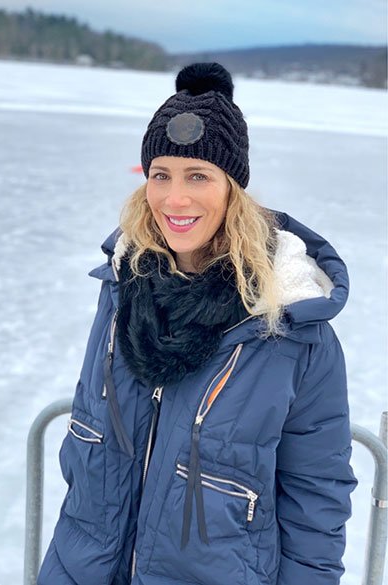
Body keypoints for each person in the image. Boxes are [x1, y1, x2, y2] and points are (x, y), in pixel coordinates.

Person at [38, 62, 357, 585]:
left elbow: (316, 499)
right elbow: (87, 437)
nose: (175, 198)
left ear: (233, 188)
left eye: (198, 176)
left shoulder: (290, 324)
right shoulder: (123, 286)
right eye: (160, 175)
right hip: (82, 568)